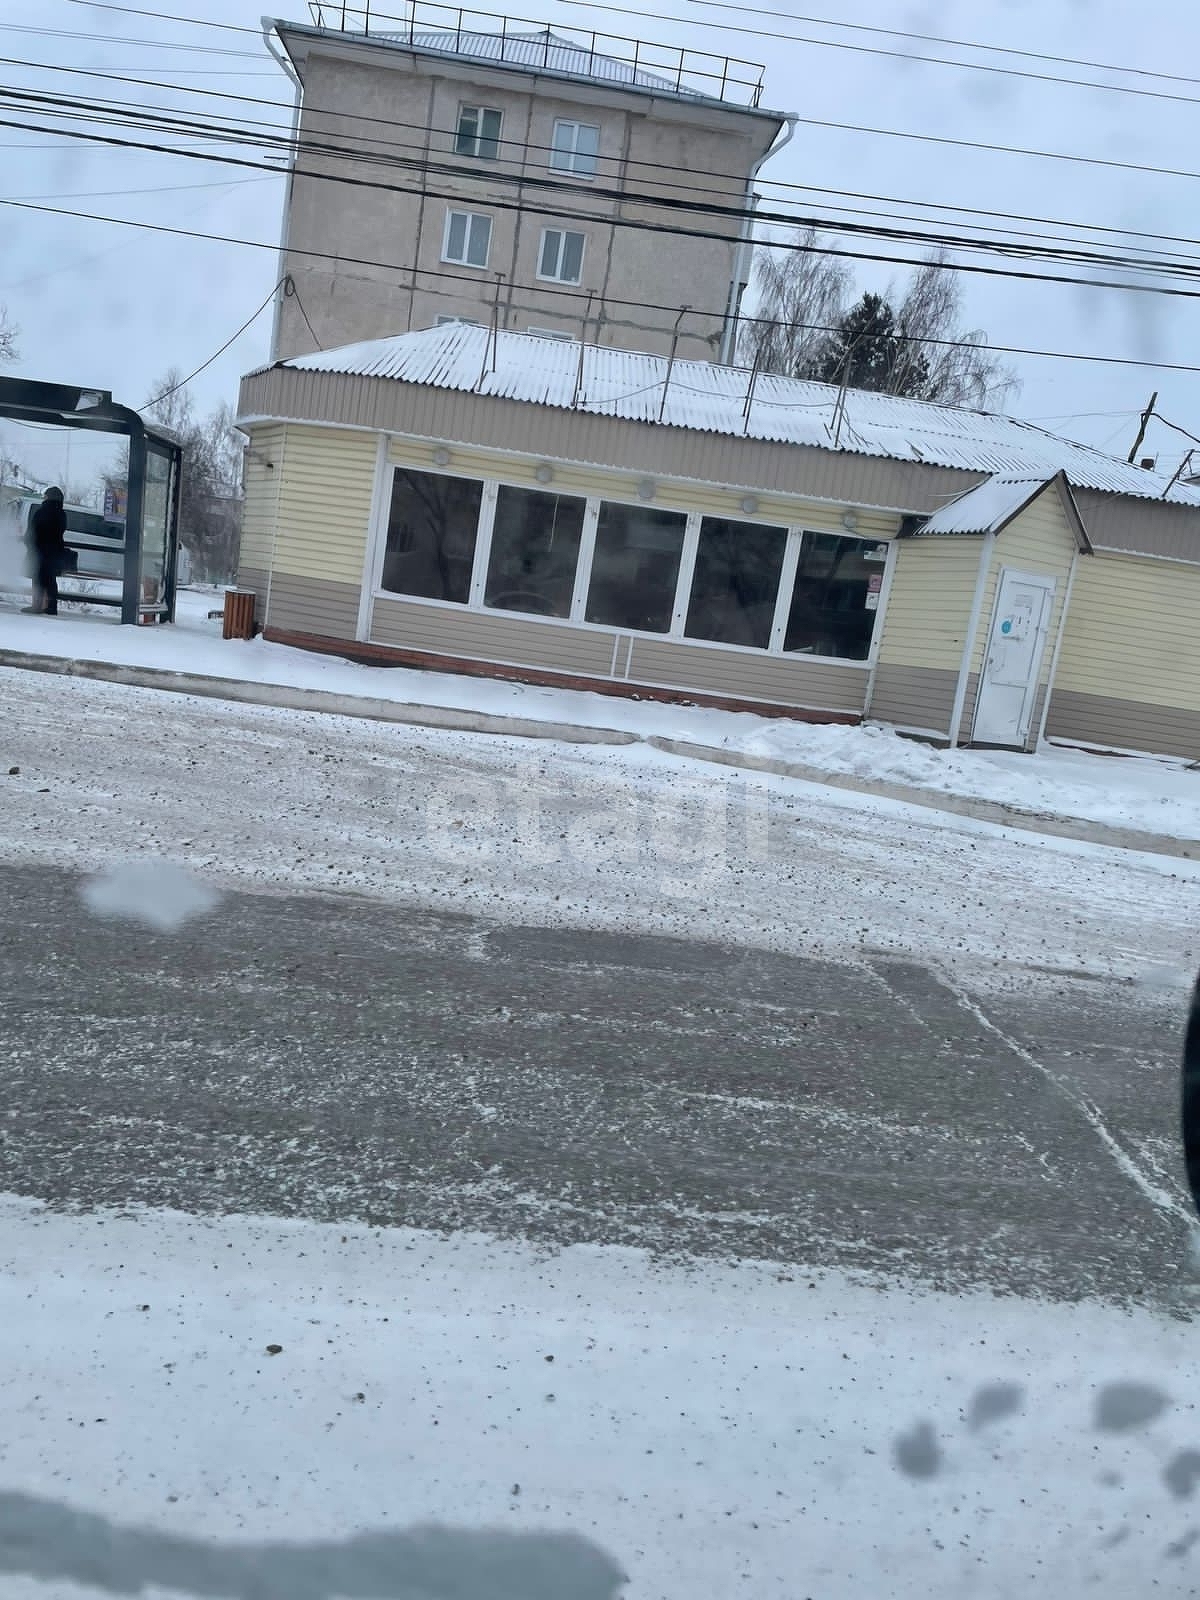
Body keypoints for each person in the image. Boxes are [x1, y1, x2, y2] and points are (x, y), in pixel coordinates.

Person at [23, 486, 67, 617]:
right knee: (50, 580)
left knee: (37, 578)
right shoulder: (61, 513)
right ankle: (51, 607)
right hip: (54, 551)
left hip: (39, 550)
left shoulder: (42, 511)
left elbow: (33, 531)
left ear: (49, 497)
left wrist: (29, 543)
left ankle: (37, 605)